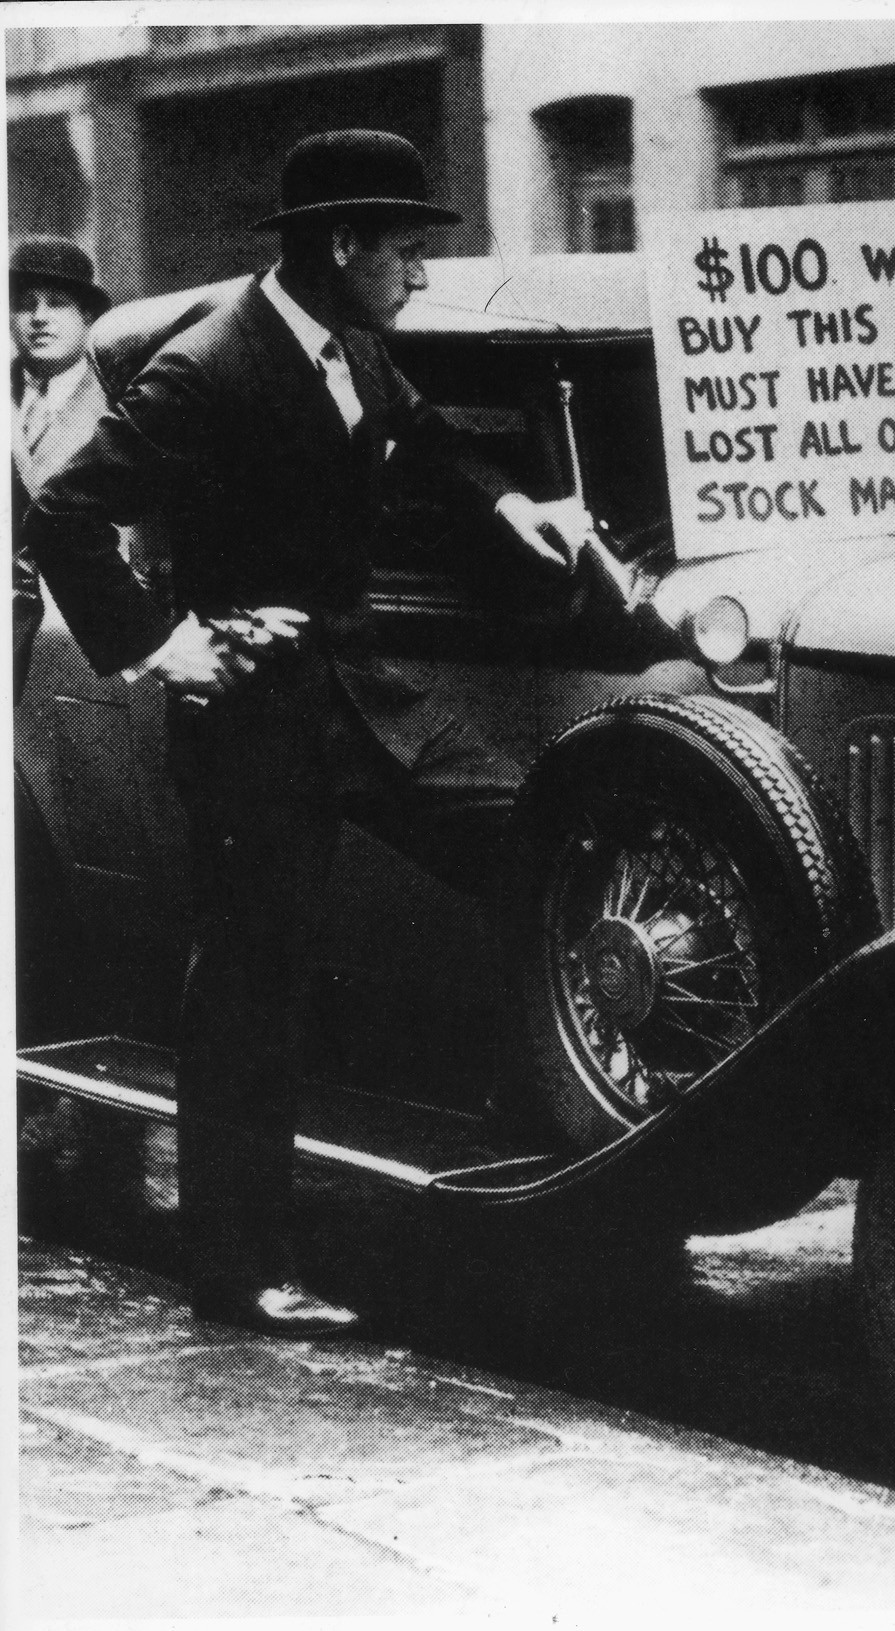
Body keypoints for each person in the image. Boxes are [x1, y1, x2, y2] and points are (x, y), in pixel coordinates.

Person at [22, 130, 597, 1340]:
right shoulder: (212, 363)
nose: (420, 272)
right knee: (251, 984)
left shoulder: (349, 348)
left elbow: (423, 438)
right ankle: (239, 1272)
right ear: (341, 246)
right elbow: (66, 510)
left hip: (361, 698)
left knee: (538, 840)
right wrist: (157, 642)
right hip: (249, 720)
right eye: (404, 249)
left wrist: (515, 501)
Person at [11, 236, 111, 693]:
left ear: (87, 316)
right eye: (24, 303)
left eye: (57, 303)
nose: (39, 317)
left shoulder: (122, 397)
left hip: (88, 628)